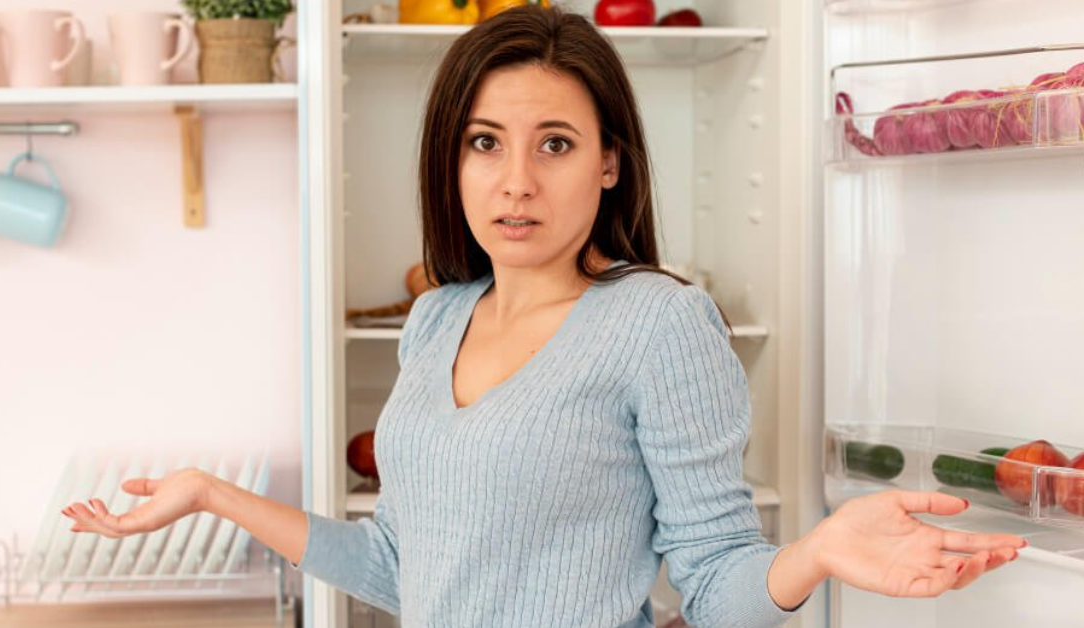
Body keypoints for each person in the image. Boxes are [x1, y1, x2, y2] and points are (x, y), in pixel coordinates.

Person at [62, 7, 1026, 628]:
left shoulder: (660, 322)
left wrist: (811, 553)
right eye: (486, 143)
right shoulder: (436, 319)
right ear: (454, 159)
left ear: (609, 162)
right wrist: (210, 493)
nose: (516, 182)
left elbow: (716, 580)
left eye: (555, 144)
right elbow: (406, 569)